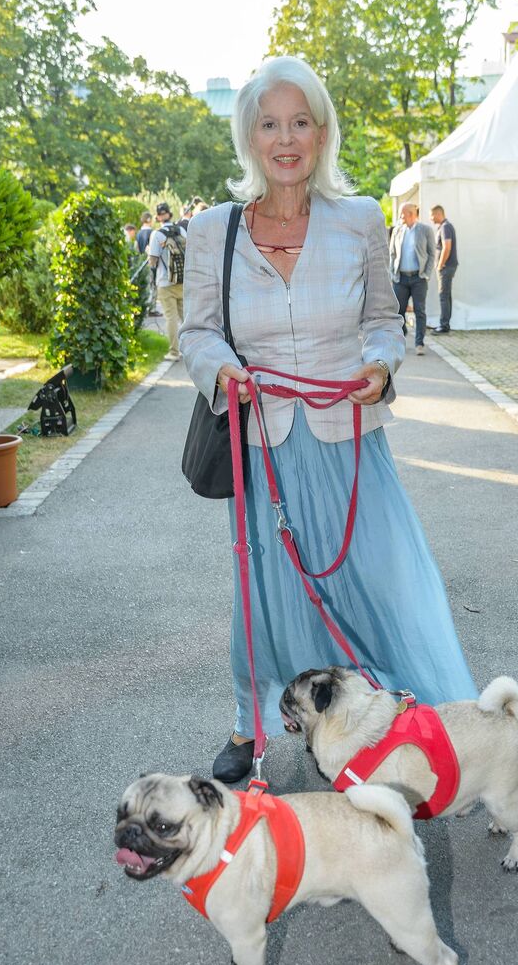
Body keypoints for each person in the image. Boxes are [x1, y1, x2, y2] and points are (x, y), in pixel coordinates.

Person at [179, 56, 478, 782]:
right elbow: (196, 332)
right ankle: (252, 725)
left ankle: (408, 725)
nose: (286, 139)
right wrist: (221, 368)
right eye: (269, 124)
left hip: (348, 444)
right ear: (249, 138)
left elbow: (383, 319)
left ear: (321, 133)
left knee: (380, 584)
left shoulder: (361, 219)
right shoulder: (212, 230)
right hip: (263, 447)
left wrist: (381, 365)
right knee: (268, 593)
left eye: (300, 122)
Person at [388, 202, 435, 354]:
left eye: (402, 214)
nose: (401, 217)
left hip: (418, 278)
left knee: (419, 311)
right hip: (400, 278)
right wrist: (393, 273)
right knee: (398, 311)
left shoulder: (425, 230)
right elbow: (392, 253)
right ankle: (402, 336)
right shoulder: (398, 230)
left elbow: (431, 254)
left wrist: (426, 274)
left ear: (411, 214)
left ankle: (419, 343)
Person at [149, 202, 186, 360]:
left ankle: (174, 352)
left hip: (165, 282)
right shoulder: (182, 230)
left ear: (158, 217)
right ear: (170, 214)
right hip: (183, 280)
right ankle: (190, 350)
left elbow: (152, 261)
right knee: (186, 317)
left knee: (171, 318)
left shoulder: (157, 235)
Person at [429, 205, 458, 334]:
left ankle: (444, 325)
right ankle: (445, 323)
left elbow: (447, 246)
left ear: (438, 214)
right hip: (448, 267)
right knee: (446, 296)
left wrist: (440, 265)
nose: (431, 218)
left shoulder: (445, 227)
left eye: (432, 215)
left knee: (443, 296)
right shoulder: (444, 226)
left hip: (446, 267)